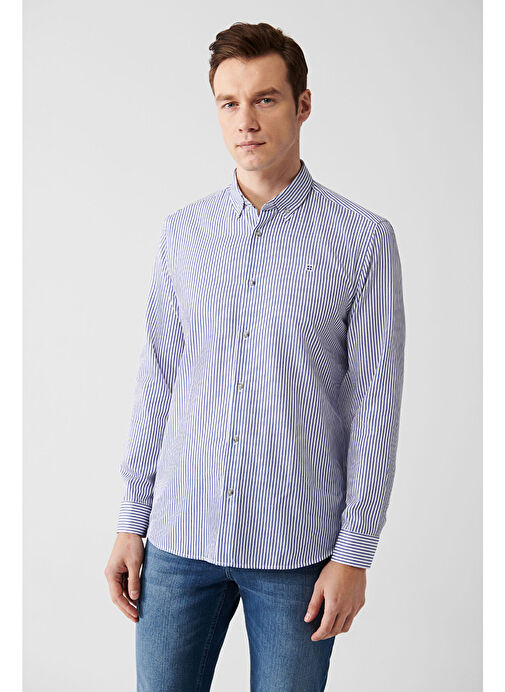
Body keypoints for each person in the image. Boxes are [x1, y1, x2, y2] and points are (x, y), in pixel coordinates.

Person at [104, 20, 406, 692]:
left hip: (296, 550)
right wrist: (131, 522)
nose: (245, 120)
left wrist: (355, 553)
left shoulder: (362, 241)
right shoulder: (183, 234)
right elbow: (157, 382)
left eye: (265, 99)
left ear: (302, 104)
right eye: (229, 102)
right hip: (179, 541)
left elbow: (375, 408)